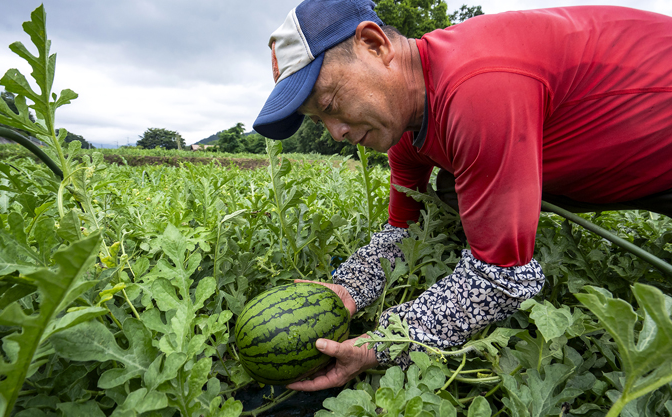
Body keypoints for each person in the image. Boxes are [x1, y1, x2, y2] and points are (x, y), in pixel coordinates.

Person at [253, 0, 672, 391]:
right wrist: (348, 289)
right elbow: (405, 229)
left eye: (331, 102)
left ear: (374, 44)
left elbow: (502, 276)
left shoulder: (478, 85)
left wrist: (383, 343)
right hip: (629, 162)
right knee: (451, 192)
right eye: (319, 119)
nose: (336, 132)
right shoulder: (407, 127)